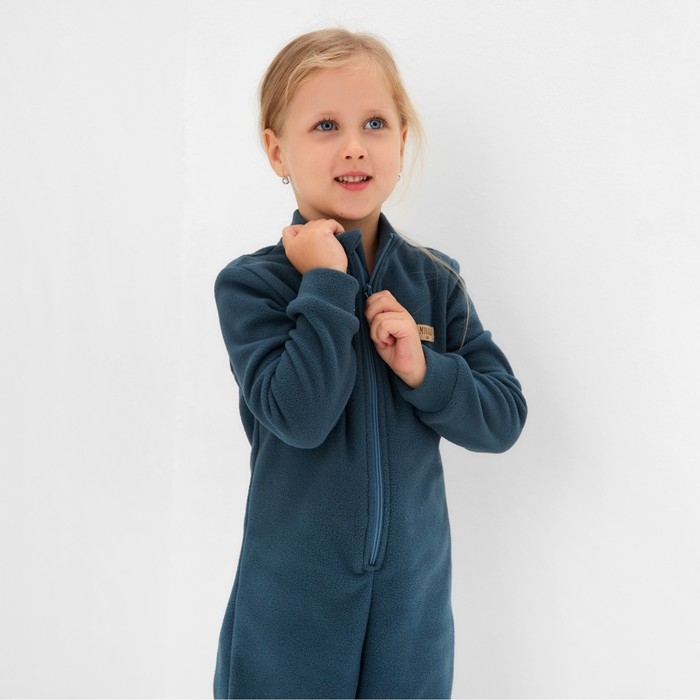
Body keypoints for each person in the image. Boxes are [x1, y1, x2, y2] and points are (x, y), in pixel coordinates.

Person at [213, 27, 527, 699]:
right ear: (278, 150)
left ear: (402, 141)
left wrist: (424, 370)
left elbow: (503, 418)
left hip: (411, 621)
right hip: (289, 619)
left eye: (375, 124)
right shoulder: (253, 287)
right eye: (326, 125)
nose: (355, 145)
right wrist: (326, 285)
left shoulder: (436, 281)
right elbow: (300, 416)